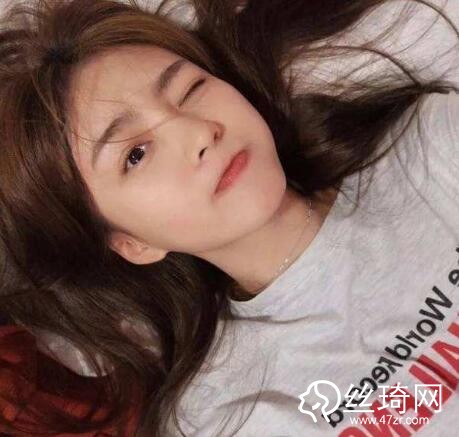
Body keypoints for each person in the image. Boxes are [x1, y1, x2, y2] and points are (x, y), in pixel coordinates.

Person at [0, 0, 457, 435]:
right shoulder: (220, 416)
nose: (198, 131)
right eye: (136, 154)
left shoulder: (432, 146)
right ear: (132, 244)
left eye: (190, 90)